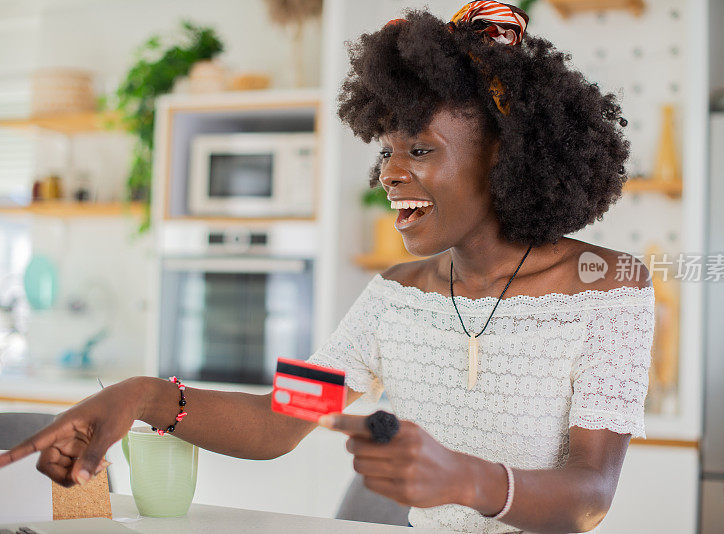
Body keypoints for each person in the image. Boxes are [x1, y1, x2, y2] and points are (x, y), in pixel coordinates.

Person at [0, 3, 654, 533]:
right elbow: (277, 422)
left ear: (505, 156)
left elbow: (589, 495)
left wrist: (465, 479)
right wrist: (143, 394)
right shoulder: (396, 298)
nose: (390, 174)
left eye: (419, 149)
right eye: (388, 150)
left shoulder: (607, 287)